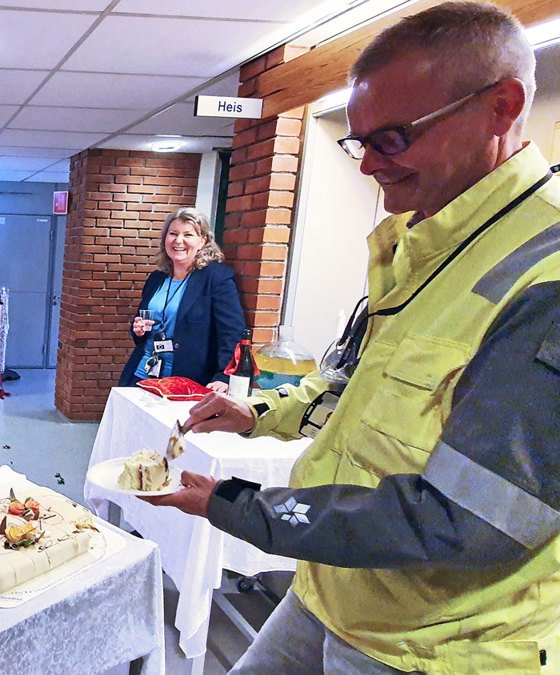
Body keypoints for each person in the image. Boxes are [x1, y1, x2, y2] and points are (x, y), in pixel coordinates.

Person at [146, 4, 560, 672]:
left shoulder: (544, 276)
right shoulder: (421, 245)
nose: (368, 165)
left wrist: (245, 508)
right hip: (335, 588)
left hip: (434, 642)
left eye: (391, 138)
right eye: (358, 140)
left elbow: (465, 521)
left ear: (500, 107)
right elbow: (347, 382)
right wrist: (259, 413)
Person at [117, 207, 244, 391]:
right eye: (173, 234)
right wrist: (138, 330)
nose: (178, 241)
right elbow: (145, 327)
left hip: (187, 378)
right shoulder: (157, 279)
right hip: (143, 373)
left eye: (188, 235)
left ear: (203, 241)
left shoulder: (216, 278)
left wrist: (224, 376)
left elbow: (232, 332)